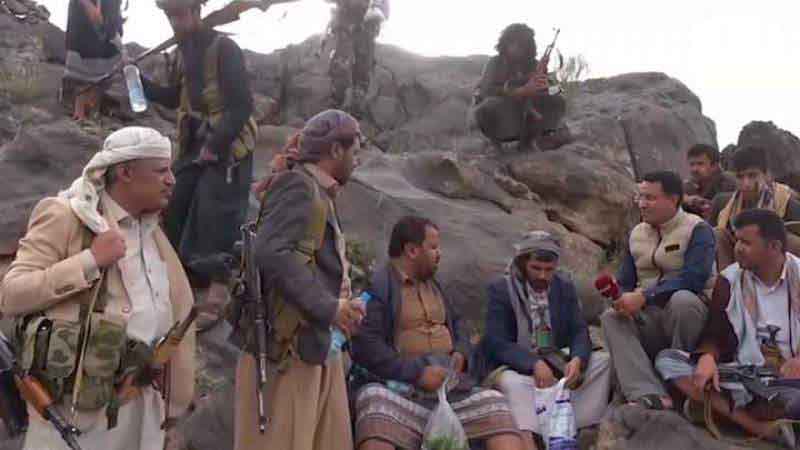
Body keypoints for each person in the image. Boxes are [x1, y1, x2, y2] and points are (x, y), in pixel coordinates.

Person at [0, 127, 195, 450]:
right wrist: (90, 260)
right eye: (161, 170)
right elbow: (11, 294)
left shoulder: (153, 232)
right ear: (126, 172)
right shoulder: (67, 216)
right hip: (75, 417)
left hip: (142, 406)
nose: (171, 180)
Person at [233, 110, 366, 450]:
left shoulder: (318, 191)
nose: (358, 159)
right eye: (354, 150)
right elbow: (271, 252)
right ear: (335, 150)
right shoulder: (298, 186)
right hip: (288, 350)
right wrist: (329, 307)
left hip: (315, 344)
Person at [351, 216, 523, 450]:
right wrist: (417, 373)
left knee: (496, 405)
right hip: (402, 389)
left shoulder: (436, 286)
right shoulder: (379, 287)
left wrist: (461, 352)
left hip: (450, 389)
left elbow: (460, 325)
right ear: (412, 251)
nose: (439, 254)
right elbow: (367, 347)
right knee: (374, 403)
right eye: (433, 247)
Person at [143, 0, 258, 329]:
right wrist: (141, 83)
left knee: (216, 214)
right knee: (174, 205)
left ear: (196, 12)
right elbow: (175, 97)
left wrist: (214, 145)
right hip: (194, 142)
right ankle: (184, 280)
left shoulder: (225, 49)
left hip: (228, 145)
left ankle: (217, 291)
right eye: (170, 16)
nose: (175, 22)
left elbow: (241, 106)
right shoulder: (184, 51)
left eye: (180, 15)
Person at [656, 209, 800, 446]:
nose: (738, 249)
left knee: (794, 400)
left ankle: (719, 407)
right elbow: (716, 331)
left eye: (746, 243)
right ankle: (762, 427)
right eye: (737, 241)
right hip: (747, 375)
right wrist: (708, 357)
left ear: (774, 246)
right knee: (668, 360)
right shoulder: (729, 280)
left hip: (790, 380)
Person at [482, 231, 612, 450]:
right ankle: (532, 433)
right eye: (536, 268)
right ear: (523, 264)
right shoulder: (501, 289)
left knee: (603, 362)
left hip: (555, 359)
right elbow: (496, 342)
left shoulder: (564, 286)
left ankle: (575, 424)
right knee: (511, 383)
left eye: (549, 270)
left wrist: (578, 360)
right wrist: (533, 364)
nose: (543, 276)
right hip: (518, 366)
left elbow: (579, 330)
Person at [600, 171, 715, 410]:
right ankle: (648, 393)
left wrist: (644, 296)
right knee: (612, 317)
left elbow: (693, 279)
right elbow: (626, 279)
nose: (642, 204)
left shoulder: (697, 229)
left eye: (650, 198)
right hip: (650, 318)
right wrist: (621, 298)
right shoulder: (637, 234)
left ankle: (682, 383)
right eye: (640, 197)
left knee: (683, 301)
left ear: (673, 199)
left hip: (690, 317)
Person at [472, 23, 569, 152]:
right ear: (505, 43)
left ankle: (531, 141)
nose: (516, 48)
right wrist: (519, 91)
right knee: (487, 107)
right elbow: (487, 90)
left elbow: (556, 90)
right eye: (512, 43)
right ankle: (496, 144)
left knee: (557, 100)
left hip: (529, 113)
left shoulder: (534, 65)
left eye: (521, 45)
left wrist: (547, 88)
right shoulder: (495, 63)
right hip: (504, 111)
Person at [709, 145, 800, 271]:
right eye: (740, 177)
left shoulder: (786, 203)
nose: (746, 183)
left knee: (790, 239)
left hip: (775, 266)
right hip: (736, 263)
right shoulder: (722, 203)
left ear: (767, 175)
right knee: (718, 234)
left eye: (752, 176)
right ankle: (727, 280)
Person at [63, 0, 124, 120]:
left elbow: (108, 24)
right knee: (83, 84)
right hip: (87, 53)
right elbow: (98, 19)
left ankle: (88, 107)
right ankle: (81, 108)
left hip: (96, 51)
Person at [327, 0, 390, 117]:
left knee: (361, 71)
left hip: (366, 27)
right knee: (341, 66)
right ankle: (335, 107)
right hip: (346, 26)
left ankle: (355, 111)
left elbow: (383, 10)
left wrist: (376, 9)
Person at [683, 143, 736, 220]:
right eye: (692, 164)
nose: (694, 169)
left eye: (700, 164)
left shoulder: (729, 182)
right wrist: (689, 200)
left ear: (714, 165)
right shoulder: (689, 184)